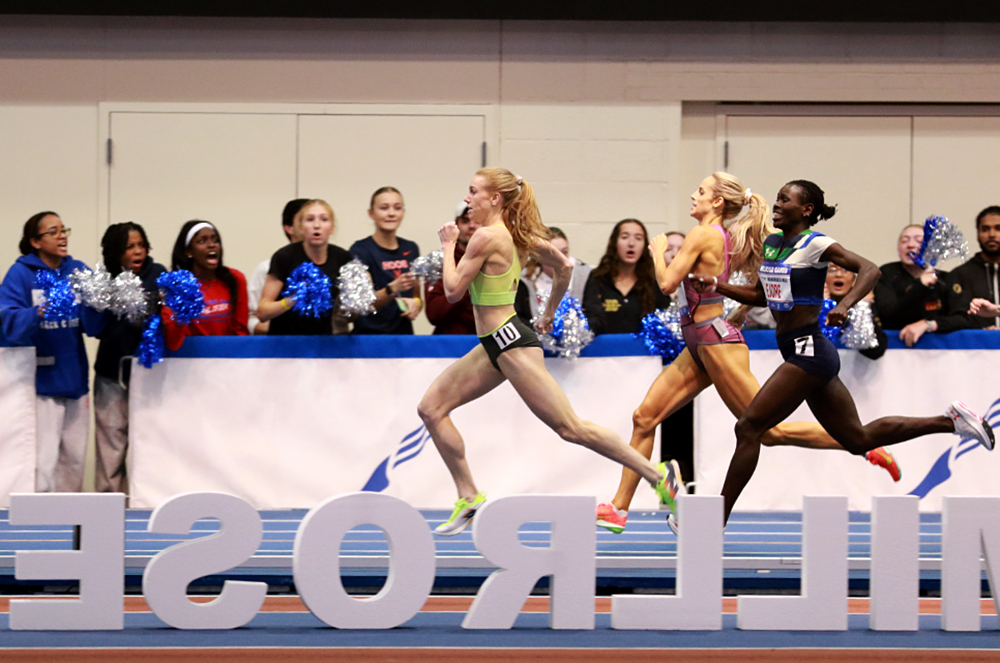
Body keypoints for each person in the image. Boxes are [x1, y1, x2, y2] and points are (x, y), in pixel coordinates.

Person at [595, 173, 900, 536]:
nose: (693, 195)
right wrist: (739, 305)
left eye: (701, 191)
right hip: (697, 342)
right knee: (644, 417)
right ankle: (619, 508)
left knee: (764, 430)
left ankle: (862, 444)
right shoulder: (722, 235)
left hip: (716, 343)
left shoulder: (704, 234)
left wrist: (658, 253)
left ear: (717, 202)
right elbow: (756, 286)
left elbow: (666, 283)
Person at [696, 179, 994, 526]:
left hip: (809, 351)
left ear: (806, 209)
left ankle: (714, 518)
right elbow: (761, 296)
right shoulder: (773, 244)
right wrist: (717, 285)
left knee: (749, 427)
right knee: (858, 439)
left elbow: (870, 270)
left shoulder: (817, 243)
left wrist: (845, 305)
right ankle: (951, 421)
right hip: (798, 350)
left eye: (785, 200)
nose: (776, 205)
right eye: (777, 198)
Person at [417, 168, 674, 536]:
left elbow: (453, 290)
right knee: (431, 409)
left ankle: (657, 475)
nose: (467, 199)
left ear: (494, 198)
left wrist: (447, 245)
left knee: (571, 428)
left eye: (473, 191)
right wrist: (549, 312)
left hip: (510, 343)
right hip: (495, 342)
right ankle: (469, 495)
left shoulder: (485, 237)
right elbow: (564, 266)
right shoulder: (517, 234)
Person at [0, 212, 107, 492]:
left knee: (74, 461)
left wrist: (99, 305)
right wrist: (41, 311)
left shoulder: (78, 271)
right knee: (42, 463)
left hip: (76, 381)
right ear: (35, 241)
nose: (62, 236)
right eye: (53, 231)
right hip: (39, 384)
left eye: (63, 230)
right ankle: (38, 517)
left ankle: (68, 517)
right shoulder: (21, 274)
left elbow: (93, 327)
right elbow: (8, 321)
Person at [93, 222, 167, 494]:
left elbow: (166, 320)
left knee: (148, 441)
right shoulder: (103, 279)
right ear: (116, 252)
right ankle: (108, 503)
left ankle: (144, 501)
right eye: (129, 247)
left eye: (141, 245)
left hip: (150, 374)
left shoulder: (158, 274)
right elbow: (93, 328)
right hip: (111, 374)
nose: (138, 252)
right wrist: (101, 300)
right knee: (111, 444)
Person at [256, 199, 354, 335]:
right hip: (287, 339)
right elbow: (262, 313)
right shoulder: (285, 257)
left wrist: (359, 299)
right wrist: (293, 300)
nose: (317, 225)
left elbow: (351, 316)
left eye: (324, 219)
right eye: (310, 219)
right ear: (301, 227)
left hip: (324, 340)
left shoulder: (342, 258)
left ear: (331, 228)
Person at [163, 220, 249, 350]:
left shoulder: (235, 278)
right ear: (189, 252)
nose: (211, 245)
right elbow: (173, 341)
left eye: (215, 240)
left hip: (229, 354)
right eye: (202, 241)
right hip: (193, 356)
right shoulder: (179, 285)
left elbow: (240, 330)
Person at [350, 187, 421, 334]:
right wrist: (391, 289)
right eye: (384, 208)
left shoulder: (411, 248)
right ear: (371, 213)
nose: (391, 213)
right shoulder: (360, 250)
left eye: (397, 208)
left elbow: (417, 296)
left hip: (403, 336)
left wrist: (416, 304)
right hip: (369, 335)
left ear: (403, 213)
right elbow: (363, 304)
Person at [582, 219, 671, 335]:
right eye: (624, 237)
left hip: (644, 345)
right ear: (614, 243)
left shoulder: (653, 279)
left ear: (645, 246)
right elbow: (590, 318)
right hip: (605, 344)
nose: (631, 243)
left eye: (638, 238)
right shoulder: (598, 277)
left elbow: (665, 318)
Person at [873, 224, 951, 347]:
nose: (910, 245)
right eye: (904, 241)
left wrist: (927, 324)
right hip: (894, 346)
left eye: (919, 241)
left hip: (937, 347)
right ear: (898, 248)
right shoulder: (886, 274)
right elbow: (888, 317)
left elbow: (960, 317)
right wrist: (920, 286)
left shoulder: (945, 279)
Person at [247, 199, 309, 336]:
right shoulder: (267, 268)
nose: (314, 226)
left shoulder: (332, 263)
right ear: (289, 228)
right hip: (281, 343)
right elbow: (252, 320)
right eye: (306, 220)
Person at [936, 206, 1000, 331]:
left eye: (998, 228)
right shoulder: (960, 274)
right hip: (975, 342)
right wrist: (981, 330)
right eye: (985, 229)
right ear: (978, 234)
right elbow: (955, 318)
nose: (992, 235)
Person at [424, 202, 480, 334]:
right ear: (456, 226)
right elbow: (434, 313)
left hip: (487, 339)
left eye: (477, 221)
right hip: (450, 340)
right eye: (465, 221)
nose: (471, 226)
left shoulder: (494, 260)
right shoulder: (440, 263)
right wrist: (467, 284)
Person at [517, 227, 592, 322]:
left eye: (565, 252)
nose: (561, 259)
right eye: (552, 254)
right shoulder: (525, 279)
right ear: (539, 256)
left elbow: (594, 315)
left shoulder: (584, 275)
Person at [825, 263, 887, 360]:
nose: (839, 274)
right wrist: (822, 308)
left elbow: (876, 351)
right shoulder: (809, 305)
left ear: (854, 281)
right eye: (832, 270)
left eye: (845, 270)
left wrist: (863, 309)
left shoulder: (862, 306)